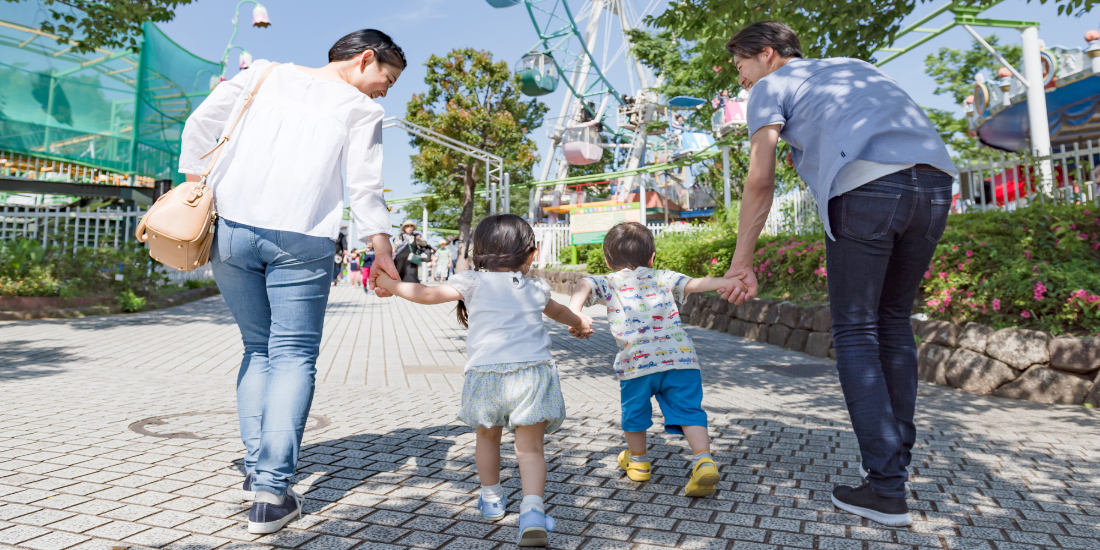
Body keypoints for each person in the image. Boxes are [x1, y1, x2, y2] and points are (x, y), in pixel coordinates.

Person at [719, 21, 956, 527]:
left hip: (867, 190)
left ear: (765, 55)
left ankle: (887, 490)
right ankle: (894, 471)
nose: (740, 78)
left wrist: (741, 263)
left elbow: (760, 180)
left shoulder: (770, 87)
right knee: (893, 320)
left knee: (855, 330)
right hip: (936, 184)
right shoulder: (854, 68)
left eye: (740, 64)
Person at [178, 29, 405, 535]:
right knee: (293, 356)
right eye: (386, 79)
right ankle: (271, 491)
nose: (384, 92)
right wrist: (382, 250)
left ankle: (255, 469)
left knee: (257, 348)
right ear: (366, 59)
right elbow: (365, 187)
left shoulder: (261, 73)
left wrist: (194, 183)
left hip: (231, 231)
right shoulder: (361, 110)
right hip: (302, 238)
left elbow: (200, 124)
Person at [375, 214, 592, 547]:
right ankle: (532, 512)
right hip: (533, 375)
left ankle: (491, 499)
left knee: (487, 439)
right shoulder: (534, 286)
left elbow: (426, 294)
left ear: (479, 252)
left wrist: (391, 286)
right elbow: (563, 313)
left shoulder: (470, 281)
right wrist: (580, 322)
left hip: (486, 377)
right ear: (531, 254)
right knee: (530, 449)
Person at [566, 222, 743, 497]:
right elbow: (696, 284)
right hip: (681, 361)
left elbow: (584, 284)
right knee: (690, 411)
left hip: (636, 364)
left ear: (607, 260)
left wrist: (576, 315)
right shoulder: (663, 276)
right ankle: (703, 461)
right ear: (652, 257)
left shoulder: (610, 282)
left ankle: (638, 463)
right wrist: (725, 281)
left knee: (634, 414)